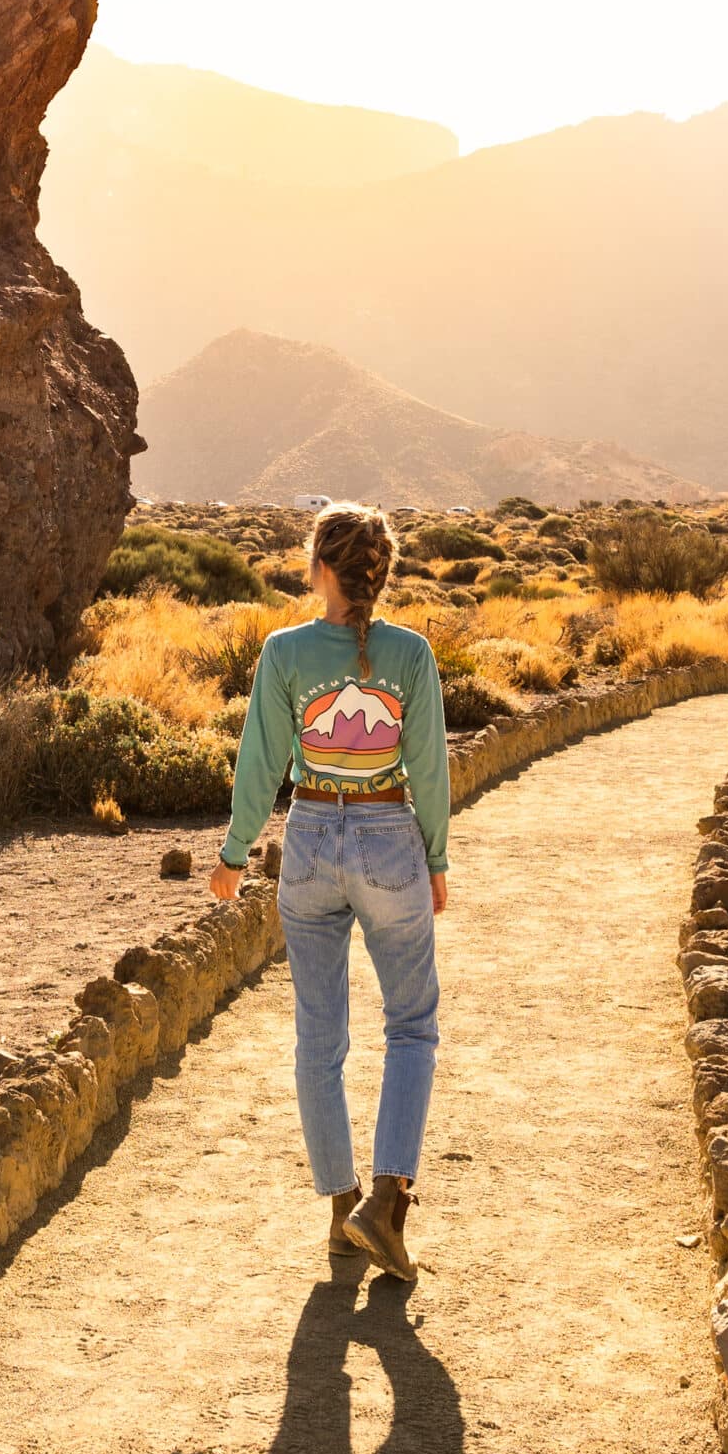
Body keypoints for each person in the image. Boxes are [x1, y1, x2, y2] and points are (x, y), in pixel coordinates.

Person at [209, 502, 449, 1280]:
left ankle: (342, 1211)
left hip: (309, 839)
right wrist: (436, 860)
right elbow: (429, 769)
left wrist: (234, 853)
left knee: (320, 1039)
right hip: (388, 838)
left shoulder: (283, 652)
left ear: (320, 568)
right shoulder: (411, 654)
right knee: (411, 1027)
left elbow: (261, 761)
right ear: (380, 572)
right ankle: (387, 1205)